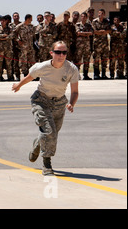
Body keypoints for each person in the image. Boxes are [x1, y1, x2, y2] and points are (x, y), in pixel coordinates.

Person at [11, 41, 79, 176]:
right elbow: (29, 77)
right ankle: (46, 164)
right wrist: (19, 85)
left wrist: (71, 103)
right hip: (41, 101)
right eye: (58, 52)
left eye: (64, 52)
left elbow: (75, 91)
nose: (61, 55)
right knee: (49, 132)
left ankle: (37, 144)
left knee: (52, 133)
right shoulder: (42, 67)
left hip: (59, 103)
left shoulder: (71, 69)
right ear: (51, 53)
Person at [91, 9, 111, 79]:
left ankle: (103, 74)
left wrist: (103, 32)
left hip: (105, 43)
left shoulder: (106, 21)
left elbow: (109, 30)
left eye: (102, 13)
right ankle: (96, 74)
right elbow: (94, 31)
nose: (100, 15)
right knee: (96, 59)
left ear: (104, 14)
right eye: (99, 13)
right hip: (97, 43)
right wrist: (102, 32)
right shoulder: (94, 21)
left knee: (104, 59)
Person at [74, 12, 93, 80]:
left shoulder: (89, 25)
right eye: (82, 16)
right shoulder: (77, 24)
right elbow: (78, 33)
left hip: (87, 45)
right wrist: (86, 34)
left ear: (86, 17)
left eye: (84, 16)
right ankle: (77, 75)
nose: (83, 18)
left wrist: (83, 33)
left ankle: (86, 75)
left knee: (86, 60)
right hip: (79, 45)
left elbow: (91, 33)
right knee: (78, 60)